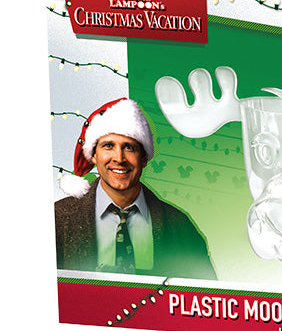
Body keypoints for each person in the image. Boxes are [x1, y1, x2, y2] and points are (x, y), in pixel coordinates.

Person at [55, 98, 216, 280]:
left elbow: (206, 292)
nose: (119, 158)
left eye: (129, 147)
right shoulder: (58, 218)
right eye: (108, 146)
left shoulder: (180, 226)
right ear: (93, 156)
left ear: (144, 158)